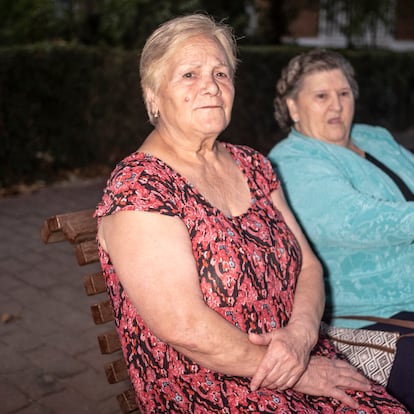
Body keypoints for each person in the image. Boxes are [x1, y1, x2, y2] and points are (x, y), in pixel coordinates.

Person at [95, 16, 408, 413]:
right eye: (189, 74)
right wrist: (300, 372)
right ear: (153, 95)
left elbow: (309, 267)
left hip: (300, 355)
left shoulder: (252, 165)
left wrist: (301, 334)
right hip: (210, 386)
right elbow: (185, 328)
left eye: (220, 72)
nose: (210, 86)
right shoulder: (140, 187)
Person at [267, 47, 414, 411]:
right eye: (321, 96)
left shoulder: (374, 137)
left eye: (343, 93)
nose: (336, 106)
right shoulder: (291, 162)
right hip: (370, 315)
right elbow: (357, 220)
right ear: (293, 108)